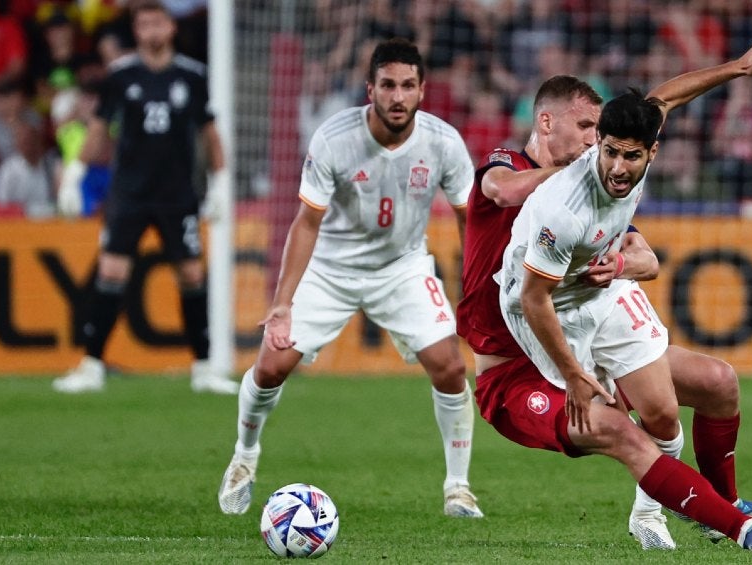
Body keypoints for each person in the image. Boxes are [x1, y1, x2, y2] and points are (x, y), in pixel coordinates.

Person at [460, 33, 752, 553]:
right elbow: (505, 196)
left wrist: (737, 67)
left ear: (649, 151)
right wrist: (581, 165)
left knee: (716, 384)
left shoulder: (616, 169)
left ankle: (716, 507)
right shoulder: (532, 178)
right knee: (627, 433)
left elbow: (661, 107)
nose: (606, 148)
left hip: (583, 319)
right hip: (513, 361)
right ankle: (728, 525)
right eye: (591, 132)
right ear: (549, 122)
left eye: (617, 143)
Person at [216, 38, 483, 520]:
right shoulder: (334, 138)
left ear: (423, 90)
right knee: (272, 365)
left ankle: (459, 488)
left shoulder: (444, 142)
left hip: (402, 267)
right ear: (370, 89)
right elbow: (306, 222)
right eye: (387, 85)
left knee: (450, 365)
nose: (397, 96)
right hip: (331, 268)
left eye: (407, 86)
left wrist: (474, 287)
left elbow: (470, 218)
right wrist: (283, 302)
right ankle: (245, 455)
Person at [51, 0, 236, 395]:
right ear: (136, 31)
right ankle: (91, 365)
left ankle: (203, 368)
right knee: (112, 272)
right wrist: (74, 174)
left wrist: (219, 185)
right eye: (143, 24)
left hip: (177, 194)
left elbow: (211, 133)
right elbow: (99, 128)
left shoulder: (193, 75)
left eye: (157, 22)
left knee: (191, 274)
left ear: (170, 28)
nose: (150, 30)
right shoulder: (120, 76)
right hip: (130, 194)